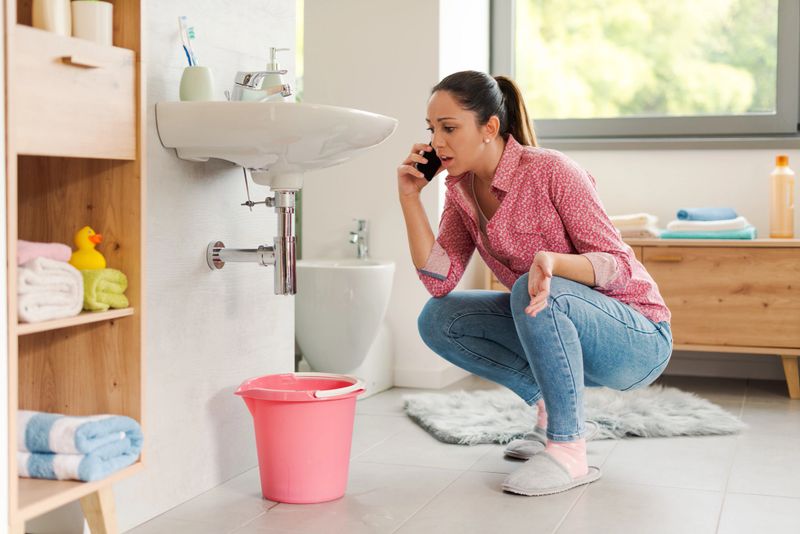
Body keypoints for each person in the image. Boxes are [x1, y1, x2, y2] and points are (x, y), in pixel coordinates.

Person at [396, 70, 672, 496]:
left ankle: (568, 452)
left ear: (489, 128)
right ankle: (554, 414)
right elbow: (440, 280)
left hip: (637, 339)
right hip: (560, 330)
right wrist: (410, 199)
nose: (437, 142)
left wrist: (554, 262)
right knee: (439, 319)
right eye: (432, 130)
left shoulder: (552, 171)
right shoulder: (462, 190)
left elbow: (617, 262)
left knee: (532, 286)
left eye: (449, 128)